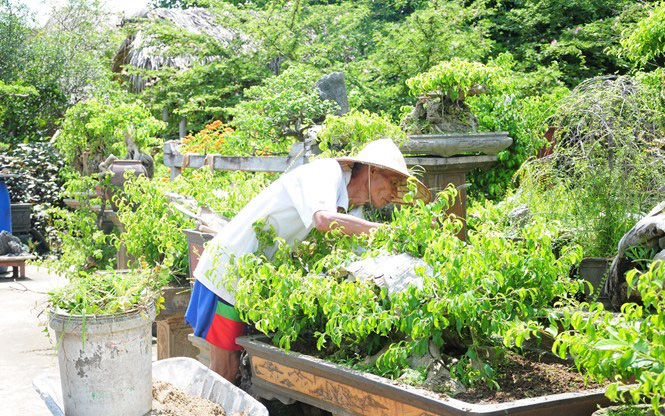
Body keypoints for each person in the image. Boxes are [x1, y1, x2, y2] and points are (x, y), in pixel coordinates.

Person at [185, 139, 431, 382]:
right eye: (394, 183)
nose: (394, 194)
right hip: (228, 272)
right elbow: (323, 220)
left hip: (249, 281)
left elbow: (357, 260)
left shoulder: (352, 211)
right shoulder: (326, 173)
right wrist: (383, 231)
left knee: (236, 370)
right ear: (374, 171)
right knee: (224, 370)